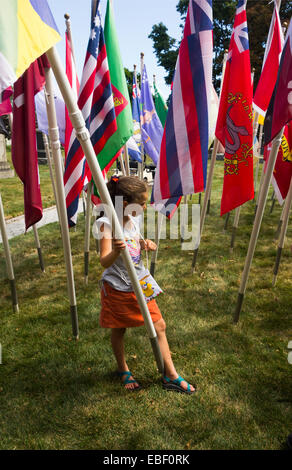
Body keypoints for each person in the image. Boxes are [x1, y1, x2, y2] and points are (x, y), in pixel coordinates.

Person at [93, 175, 195, 394]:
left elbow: (134, 238)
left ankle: (171, 375)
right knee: (119, 329)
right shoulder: (106, 223)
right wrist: (116, 251)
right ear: (124, 202)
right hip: (118, 286)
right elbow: (104, 260)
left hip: (139, 282)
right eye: (140, 204)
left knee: (159, 325)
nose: (144, 207)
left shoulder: (134, 219)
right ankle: (123, 369)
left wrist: (143, 243)